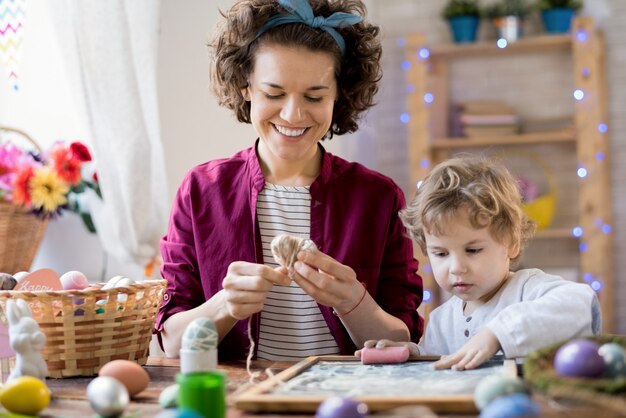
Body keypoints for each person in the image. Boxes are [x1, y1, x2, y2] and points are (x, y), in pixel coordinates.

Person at [155, 0, 423, 361]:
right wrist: (224, 305)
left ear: (339, 94)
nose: (293, 114)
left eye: (314, 96)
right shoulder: (202, 191)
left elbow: (405, 340)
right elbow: (169, 343)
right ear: (245, 86)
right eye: (274, 93)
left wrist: (353, 300)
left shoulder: (377, 197)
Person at [357, 155, 601, 370]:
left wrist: (497, 334)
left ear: (511, 243)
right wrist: (412, 354)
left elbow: (581, 303)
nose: (456, 267)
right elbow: (439, 362)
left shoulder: (529, 289)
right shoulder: (443, 319)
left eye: (472, 250)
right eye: (441, 254)